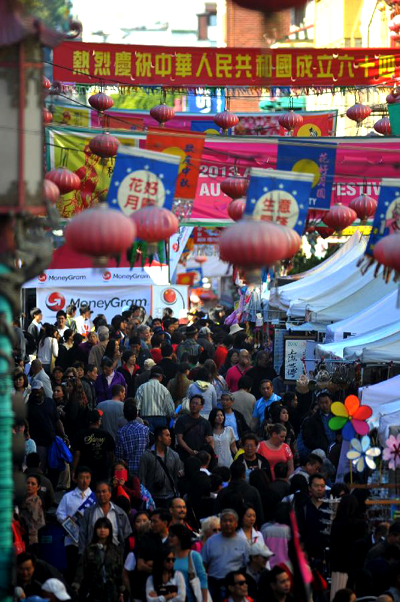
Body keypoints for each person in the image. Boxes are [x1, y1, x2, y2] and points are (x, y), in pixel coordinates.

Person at [56, 466, 94, 583]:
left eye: (87, 478)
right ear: (75, 478)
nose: (85, 481)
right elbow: (59, 513)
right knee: (72, 569)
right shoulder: (68, 497)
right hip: (72, 540)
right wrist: (67, 521)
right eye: (82, 478)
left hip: (89, 540)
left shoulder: (95, 497)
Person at [201, 509, 249, 602]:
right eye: (224, 520)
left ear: (236, 523)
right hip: (213, 584)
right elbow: (203, 563)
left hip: (233, 586)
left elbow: (247, 564)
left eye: (231, 521)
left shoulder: (243, 542)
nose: (227, 524)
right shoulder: (211, 541)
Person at [74, 517, 124, 601]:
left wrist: (122, 591)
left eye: (105, 527)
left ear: (110, 530)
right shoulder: (89, 549)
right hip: (94, 589)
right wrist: (76, 586)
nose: (102, 530)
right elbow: (81, 568)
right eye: (99, 527)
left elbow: (120, 571)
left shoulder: (116, 550)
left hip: (111, 590)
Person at [330, 495, 368, 601]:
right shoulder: (361, 523)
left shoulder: (336, 523)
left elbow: (333, 545)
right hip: (356, 565)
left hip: (339, 565)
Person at [78, 481, 132, 553]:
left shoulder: (120, 513)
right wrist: (82, 553)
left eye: (104, 491)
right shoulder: (89, 513)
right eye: (98, 492)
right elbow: (83, 534)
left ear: (110, 494)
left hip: (115, 554)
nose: (101, 494)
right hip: (93, 554)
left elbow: (127, 535)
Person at [27, 380, 67, 474]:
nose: (37, 394)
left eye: (38, 391)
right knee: (42, 468)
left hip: (52, 440)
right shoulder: (29, 406)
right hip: (39, 442)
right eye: (34, 391)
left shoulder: (50, 402)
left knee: (55, 467)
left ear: (42, 390)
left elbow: (57, 420)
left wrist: (64, 435)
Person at [139, 426, 182, 507]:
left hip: (170, 496)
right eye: (167, 435)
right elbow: (142, 478)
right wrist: (145, 498)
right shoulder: (147, 456)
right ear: (159, 438)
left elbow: (177, 478)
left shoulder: (174, 455)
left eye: (170, 435)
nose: (170, 438)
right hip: (152, 497)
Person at [73, 409, 115, 485]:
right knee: (101, 492)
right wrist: (111, 468)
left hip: (85, 470)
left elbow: (76, 454)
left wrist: (73, 470)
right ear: (98, 421)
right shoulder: (106, 435)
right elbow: (111, 454)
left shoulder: (80, 434)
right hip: (102, 470)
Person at [169, 524, 208, 602]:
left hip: (191, 598)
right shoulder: (168, 557)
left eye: (172, 536)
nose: (169, 538)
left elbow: (203, 579)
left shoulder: (194, 556)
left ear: (180, 537)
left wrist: (205, 600)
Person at [301, 473, 330, 566]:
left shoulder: (330, 506)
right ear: (309, 488)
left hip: (327, 553)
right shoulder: (304, 506)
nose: (320, 489)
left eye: (322, 486)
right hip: (308, 554)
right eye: (316, 486)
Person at [116, 400, 150, 475]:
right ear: (136, 414)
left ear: (124, 415)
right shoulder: (145, 429)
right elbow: (147, 448)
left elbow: (119, 457)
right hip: (143, 469)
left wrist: (121, 476)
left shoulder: (121, 432)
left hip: (127, 471)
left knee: (125, 487)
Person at [175, 395, 214, 461]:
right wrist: (190, 451)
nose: (194, 405)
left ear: (201, 407)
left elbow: (210, 440)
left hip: (200, 457)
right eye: (192, 403)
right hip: (183, 455)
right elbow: (179, 439)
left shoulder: (206, 423)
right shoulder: (181, 420)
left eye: (196, 403)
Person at [136, 366, 175, 432]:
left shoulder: (142, 388)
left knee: (148, 440)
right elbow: (171, 410)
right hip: (161, 420)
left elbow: (136, 406)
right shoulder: (164, 389)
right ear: (160, 377)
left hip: (145, 419)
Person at [302, 389, 336, 454]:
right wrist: (320, 445)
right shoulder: (312, 420)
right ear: (318, 403)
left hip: (336, 449)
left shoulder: (337, 416)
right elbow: (307, 439)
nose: (324, 405)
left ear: (331, 402)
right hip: (321, 451)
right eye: (321, 403)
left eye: (326, 402)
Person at [20, 474, 45, 553]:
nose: (29, 485)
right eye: (28, 483)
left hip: (32, 539)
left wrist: (32, 540)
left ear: (38, 487)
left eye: (33, 484)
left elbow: (34, 522)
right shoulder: (26, 499)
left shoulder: (35, 502)